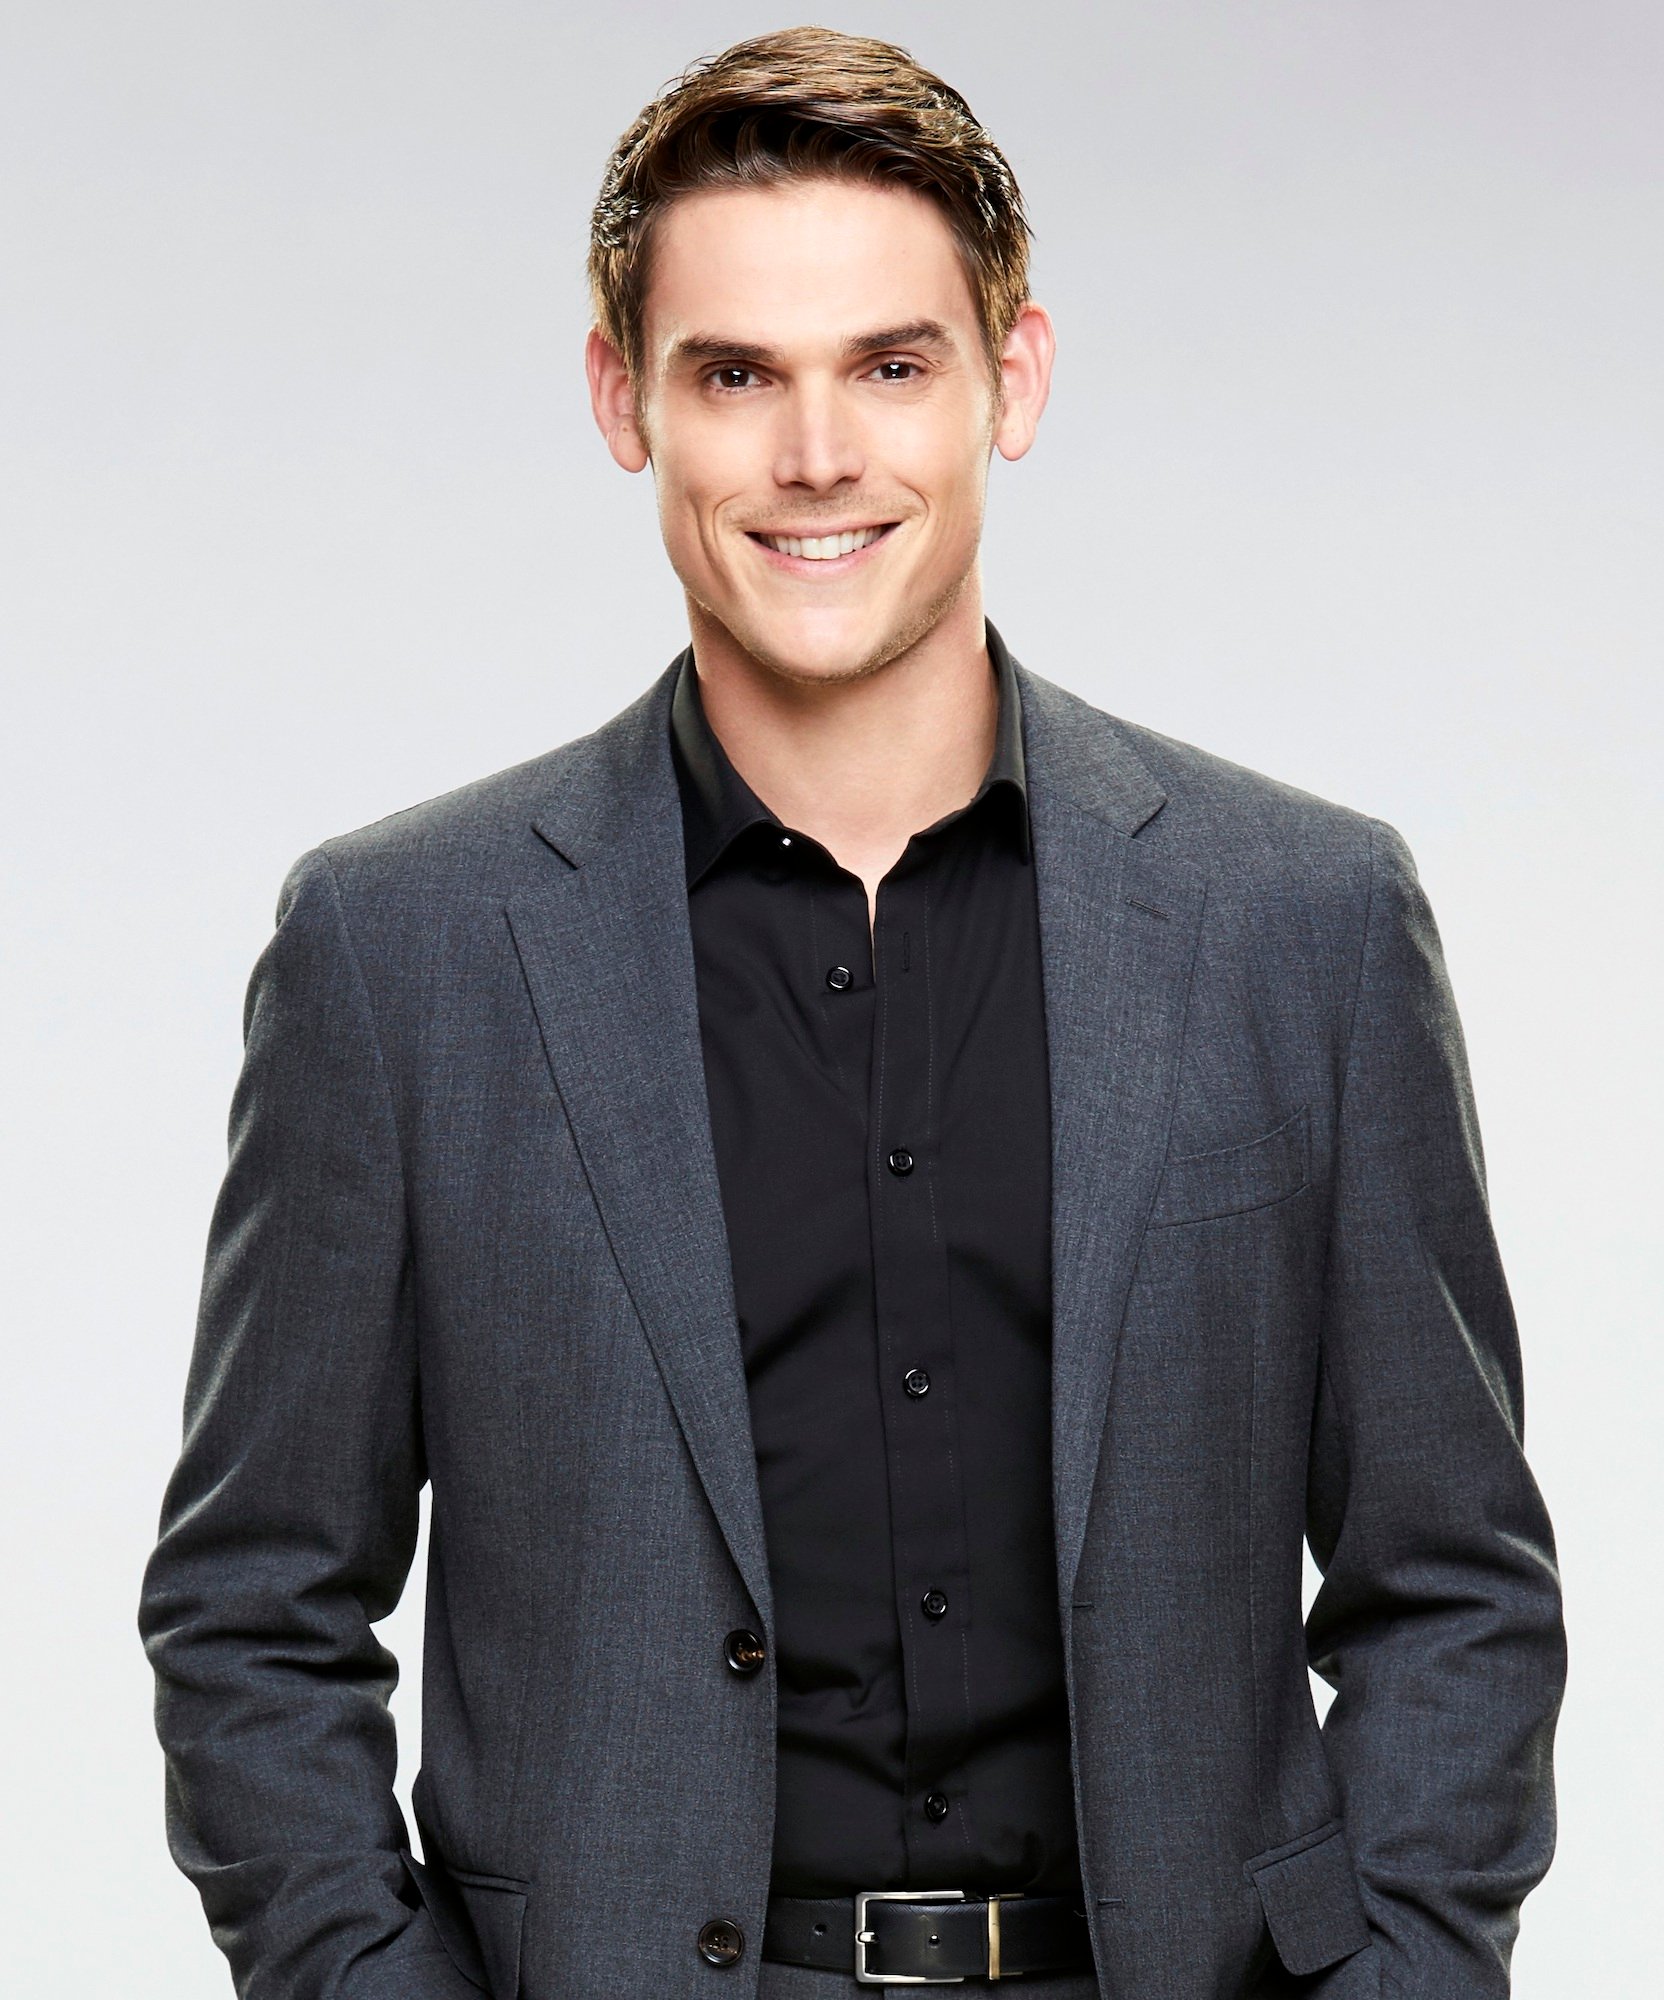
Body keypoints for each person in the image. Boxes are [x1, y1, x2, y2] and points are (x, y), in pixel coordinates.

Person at [137, 25, 1566, 1999]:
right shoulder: (403, 951)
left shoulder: (1299, 922)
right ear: (624, 402)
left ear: (1015, 378)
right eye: (737, 373)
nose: (819, 454)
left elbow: (1457, 1585)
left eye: (891, 365)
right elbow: (251, 1612)